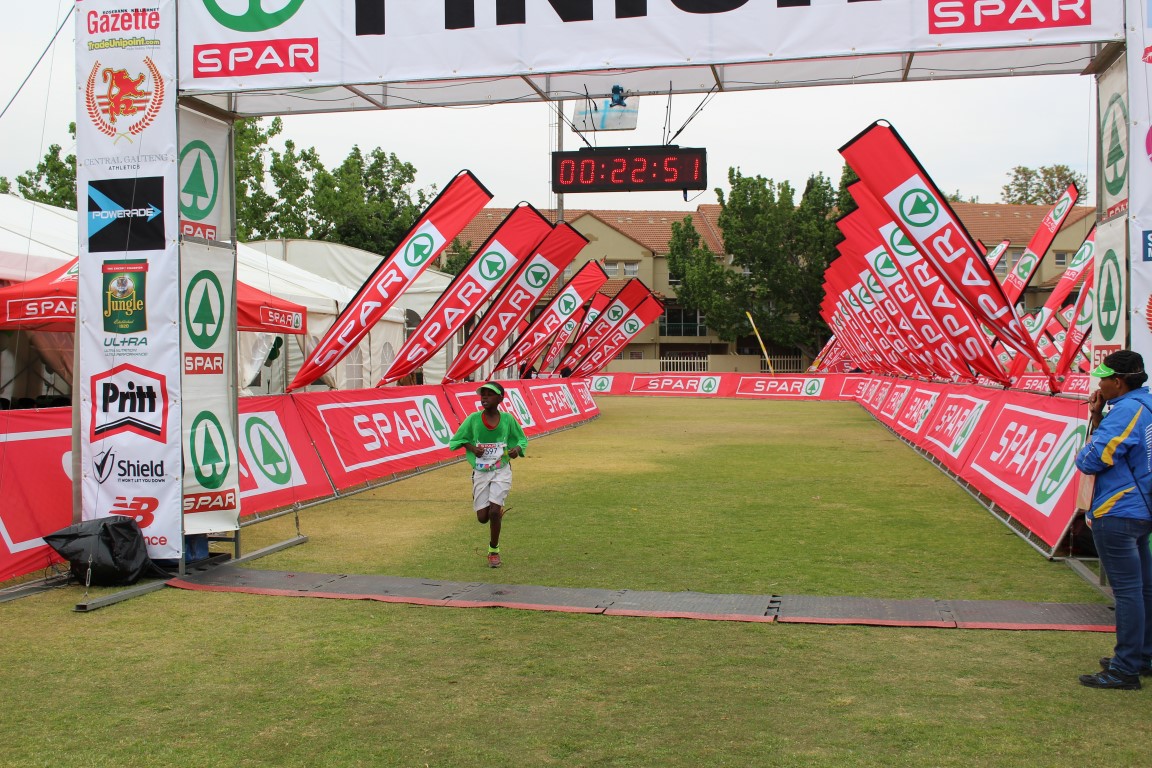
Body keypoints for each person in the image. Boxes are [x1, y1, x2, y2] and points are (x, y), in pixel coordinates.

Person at [1075, 349, 1152, 690]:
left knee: (1128, 593)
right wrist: (1098, 415)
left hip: (1118, 509)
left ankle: (1125, 668)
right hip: (1141, 508)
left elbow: (1091, 460)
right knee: (1143, 589)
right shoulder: (1145, 404)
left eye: (1104, 379)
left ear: (1118, 382)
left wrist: (1094, 428)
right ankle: (1142, 656)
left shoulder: (1126, 411)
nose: (1099, 385)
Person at [448, 382, 527, 568]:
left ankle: (494, 551)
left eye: (490, 394)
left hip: (502, 470)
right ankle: (488, 505)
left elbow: (522, 440)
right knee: (483, 517)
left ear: (500, 398)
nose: (484, 397)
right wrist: (472, 448)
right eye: (482, 394)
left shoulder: (507, 419)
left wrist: (516, 450)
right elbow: (458, 440)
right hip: (481, 472)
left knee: (493, 511)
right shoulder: (473, 419)